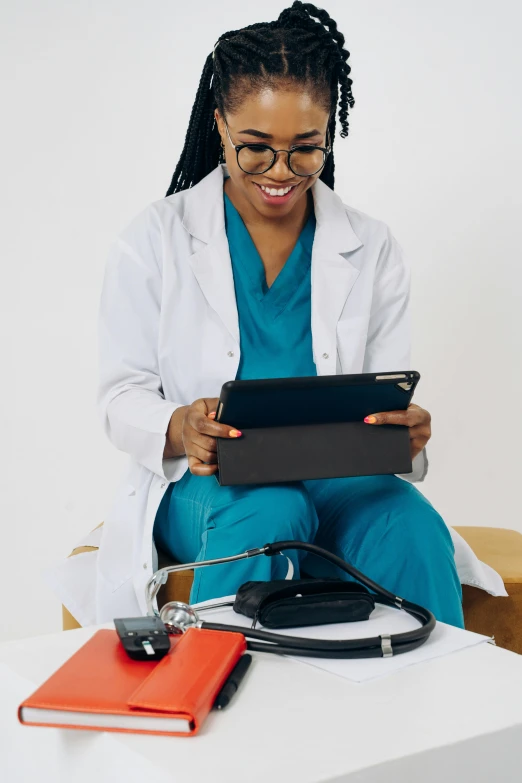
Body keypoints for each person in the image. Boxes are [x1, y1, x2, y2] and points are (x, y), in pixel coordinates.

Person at [52, 1, 502, 629]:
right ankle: (223, 695)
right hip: (206, 484)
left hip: (334, 475)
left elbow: (377, 394)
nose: (281, 174)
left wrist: (403, 433)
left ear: (329, 137)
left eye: (305, 150)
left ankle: (436, 708)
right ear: (220, 124)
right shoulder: (154, 239)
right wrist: (181, 425)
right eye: (256, 149)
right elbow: (119, 395)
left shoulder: (371, 247)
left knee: (409, 523)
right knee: (268, 511)